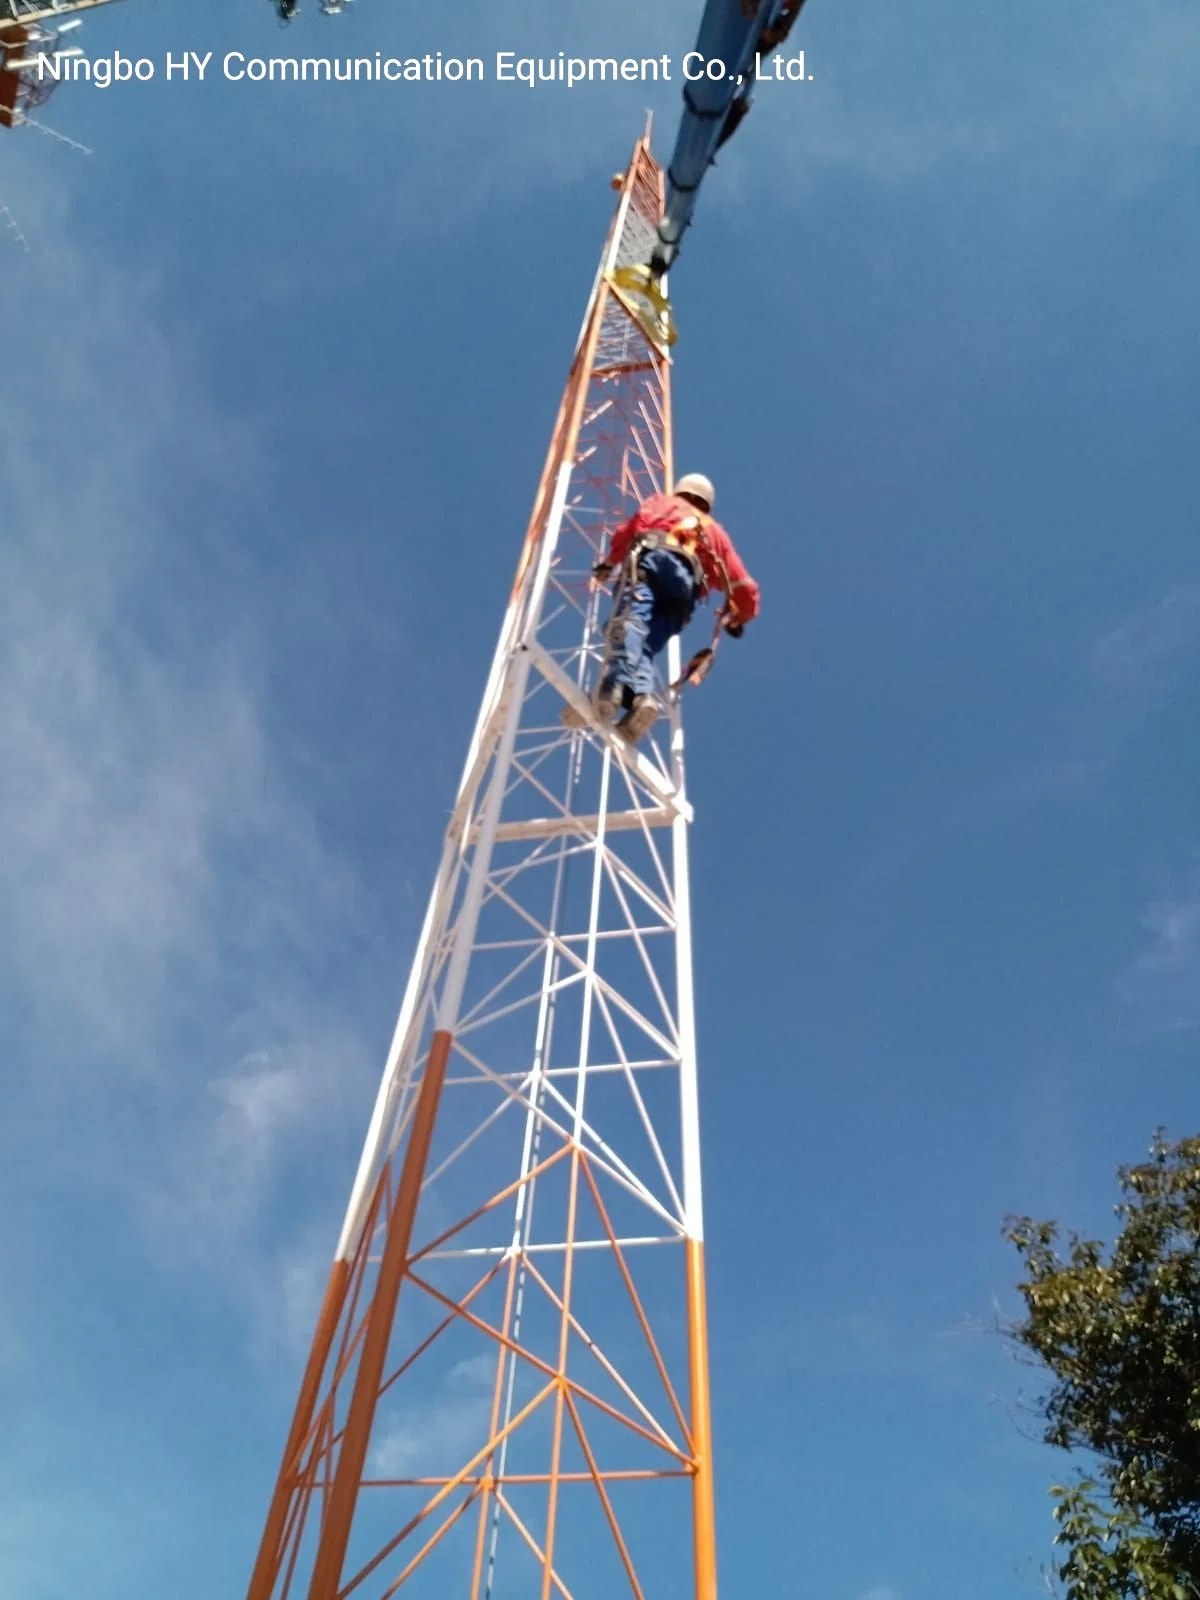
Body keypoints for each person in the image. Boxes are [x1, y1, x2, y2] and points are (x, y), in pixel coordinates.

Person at [591, 472, 760, 743]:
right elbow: (744, 585)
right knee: (644, 646)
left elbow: (626, 533)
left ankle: (613, 688)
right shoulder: (716, 533)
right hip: (684, 595)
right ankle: (640, 699)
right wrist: (740, 618)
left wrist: (610, 562)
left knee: (628, 624)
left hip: (653, 564)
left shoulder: (662, 503)